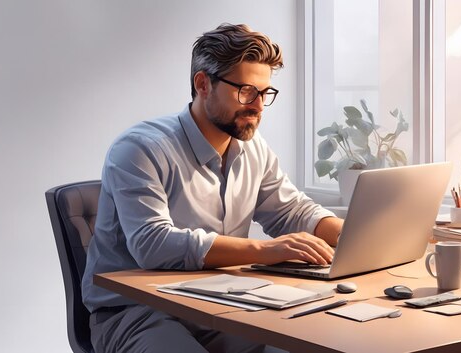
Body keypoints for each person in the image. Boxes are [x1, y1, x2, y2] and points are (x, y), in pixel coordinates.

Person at [81, 23, 344, 353]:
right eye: (246, 91)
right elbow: (153, 244)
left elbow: (292, 211)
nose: (259, 106)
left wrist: (354, 235)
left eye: (265, 94)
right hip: (137, 312)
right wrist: (265, 251)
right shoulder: (139, 148)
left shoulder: (252, 148)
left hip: (221, 303)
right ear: (203, 84)